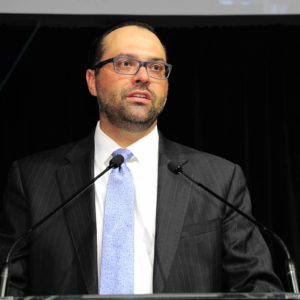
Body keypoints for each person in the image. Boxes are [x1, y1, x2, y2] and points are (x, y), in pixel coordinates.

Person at [0, 21, 283, 296]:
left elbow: (257, 288)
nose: (144, 77)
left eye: (156, 67)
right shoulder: (33, 179)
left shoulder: (219, 179)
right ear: (92, 81)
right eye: (125, 63)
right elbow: (8, 285)